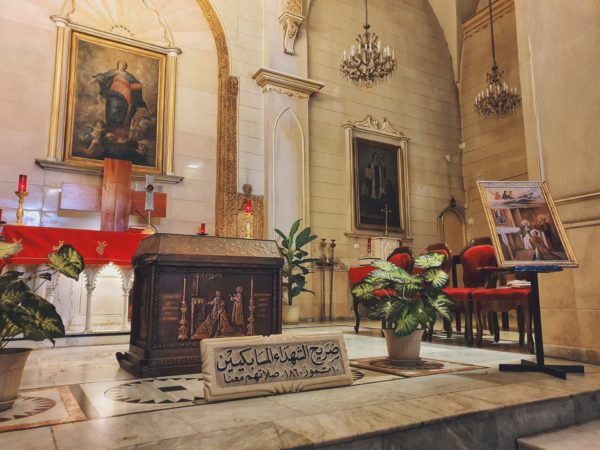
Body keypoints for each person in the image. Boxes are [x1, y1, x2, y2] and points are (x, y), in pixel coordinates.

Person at [90, 60, 146, 142]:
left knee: (123, 111)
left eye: (124, 64)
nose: (122, 65)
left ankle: (120, 134)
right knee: (112, 109)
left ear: (126, 67)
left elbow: (134, 84)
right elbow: (103, 77)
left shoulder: (129, 76)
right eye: (121, 64)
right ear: (118, 65)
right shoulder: (113, 72)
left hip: (126, 94)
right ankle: (111, 131)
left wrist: (140, 86)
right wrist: (96, 79)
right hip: (114, 93)